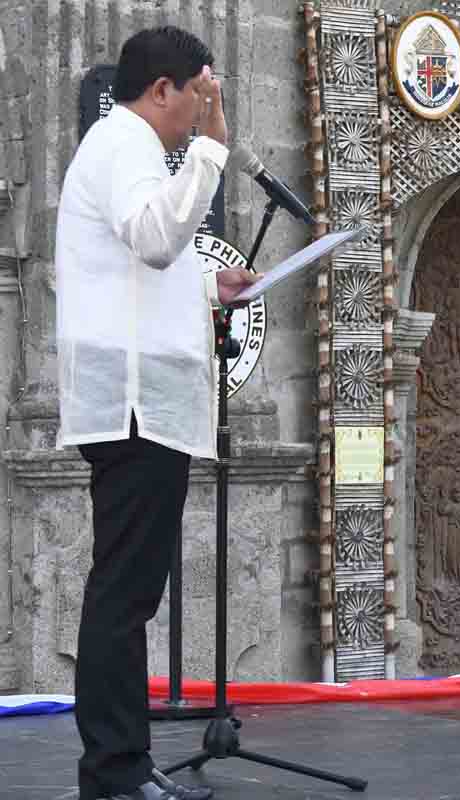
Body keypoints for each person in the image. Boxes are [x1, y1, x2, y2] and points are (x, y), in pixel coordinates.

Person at [55, 26, 258, 800]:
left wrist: (215, 290)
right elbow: (156, 239)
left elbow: (139, 269)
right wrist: (210, 148)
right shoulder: (126, 142)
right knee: (122, 595)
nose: (209, 106)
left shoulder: (133, 149)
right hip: (133, 407)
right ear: (165, 89)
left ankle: (122, 767)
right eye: (203, 90)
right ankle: (113, 773)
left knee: (128, 592)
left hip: (141, 402)